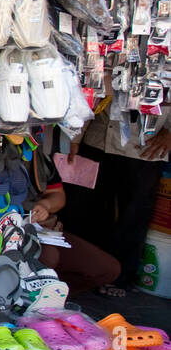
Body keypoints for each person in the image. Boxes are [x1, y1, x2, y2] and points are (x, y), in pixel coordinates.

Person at [60, 100, 171, 296]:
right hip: (98, 136)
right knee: (83, 208)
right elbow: (91, 92)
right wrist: (75, 136)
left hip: (145, 143)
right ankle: (79, 272)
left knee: (134, 215)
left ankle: (120, 278)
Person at [26, 148, 121, 295]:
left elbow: (57, 196)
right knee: (49, 257)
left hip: (42, 231)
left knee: (109, 269)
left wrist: (46, 205)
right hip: (8, 234)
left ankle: (50, 295)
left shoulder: (37, 156)